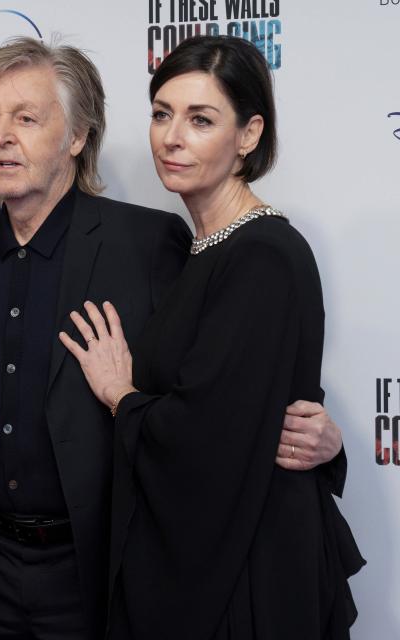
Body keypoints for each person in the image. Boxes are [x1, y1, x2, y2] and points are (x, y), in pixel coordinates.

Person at [0, 37, 347, 639]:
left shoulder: (170, 245)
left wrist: (323, 439)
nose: (3, 135)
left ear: (77, 137)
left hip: (116, 569)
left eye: (27, 118)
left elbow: (220, 417)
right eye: (162, 114)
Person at [60, 35, 364, 638]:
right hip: (231, 558)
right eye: (161, 114)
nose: (171, 138)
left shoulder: (263, 256)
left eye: (201, 120)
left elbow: (207, 436)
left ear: (249, 135)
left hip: (247, 577)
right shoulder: (205, 247)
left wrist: (120, 395)